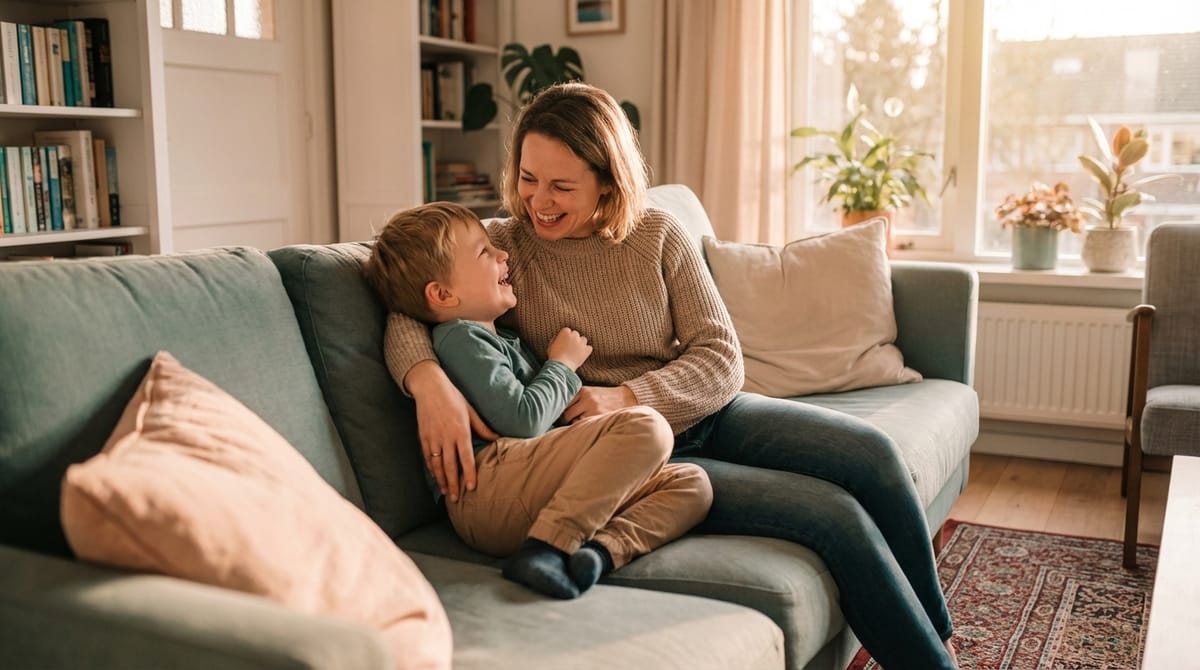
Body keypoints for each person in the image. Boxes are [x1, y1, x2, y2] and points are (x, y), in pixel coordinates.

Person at [382, 82, 959, 668]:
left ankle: (938, 637)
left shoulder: (655, 234)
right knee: (833, 516)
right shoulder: (504, 246)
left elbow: (721, 355)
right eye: (528, 178)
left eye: (562, 186)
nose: (539, 201)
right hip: (626, 456)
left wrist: (629, 395)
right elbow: (407, 300)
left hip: (704, 411)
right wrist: (427, 381)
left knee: (873, 456)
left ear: (608, 181)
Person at [363, 201, 713, 600]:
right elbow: (523, 421)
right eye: (484, 252)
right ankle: (548, 547)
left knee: (693, 484)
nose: (502, 254)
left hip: (530, 483)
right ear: (443, 294)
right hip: (486, 489)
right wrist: (561, 364)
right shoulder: (460, 338)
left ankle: (598, 554)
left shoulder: (501, 338)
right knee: (647, 426)